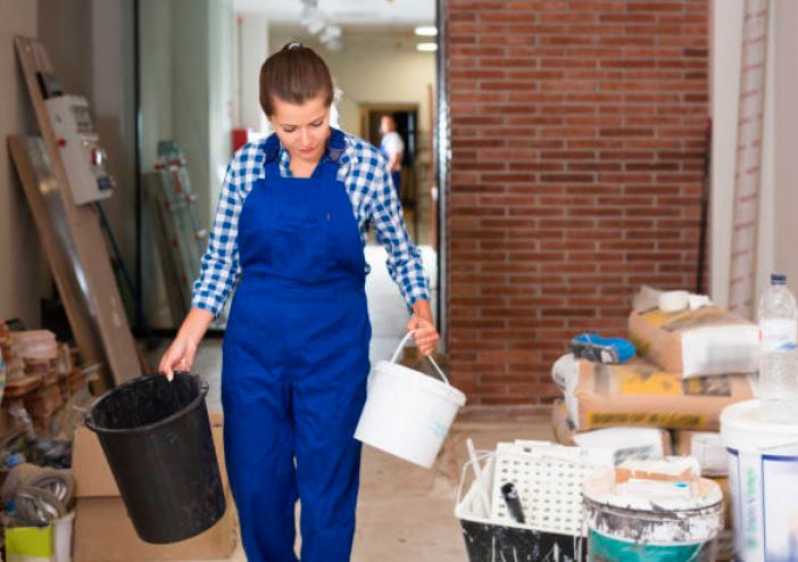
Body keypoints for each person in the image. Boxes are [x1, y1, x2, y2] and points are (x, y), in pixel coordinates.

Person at [158, 42, 438, 562]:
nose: (306, 139)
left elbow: (401, 252)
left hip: (334, 356)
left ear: (330, 104)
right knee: (257, 483)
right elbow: (221, 262)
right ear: (269, 119)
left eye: (316, 122)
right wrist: (188, 335)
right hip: (256, 354)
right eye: (289, 128)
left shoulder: (367, 166)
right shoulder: (247, 167)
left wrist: (421, 309)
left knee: (328, 488)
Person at [379, 114, 404, 197]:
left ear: (393, 125)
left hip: (391, 175)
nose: (384, 125)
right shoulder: (386, 138)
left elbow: (394, 158)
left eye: (388, 123)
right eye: (383, 123)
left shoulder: (394, 138)